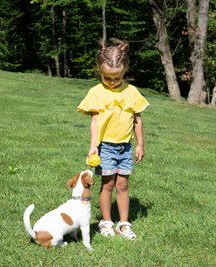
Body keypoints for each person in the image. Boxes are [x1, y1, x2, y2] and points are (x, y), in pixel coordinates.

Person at [77, 39, 150, 240]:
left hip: (125, 147)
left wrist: (140, 144)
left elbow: (137, 120)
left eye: (116, 78)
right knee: (107, 184)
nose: (111, 81)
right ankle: (106, 221)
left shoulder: (131, 92)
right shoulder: (96, 92)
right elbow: (94, 121)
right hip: (105, 147)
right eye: (107, 77)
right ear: (99, 71)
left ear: (124, 71)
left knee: (123, 185)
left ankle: (124, 223)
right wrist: (93, 147)